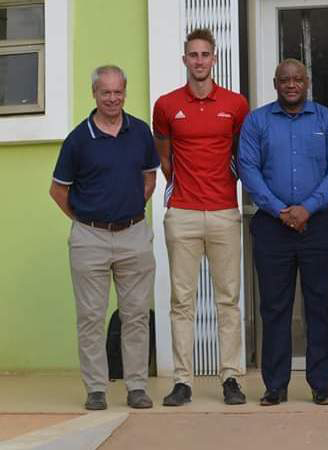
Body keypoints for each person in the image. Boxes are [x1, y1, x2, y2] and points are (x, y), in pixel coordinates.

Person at [238, 58, 328, 406]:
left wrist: (308, 207)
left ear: (307, 82)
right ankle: (275, 386)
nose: (291, 84)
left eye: (297, 79)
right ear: (275, 83)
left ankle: (321, 384)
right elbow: (248, 168)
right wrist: (279, 209)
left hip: (317, 224)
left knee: (320, 305)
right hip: (272, 226)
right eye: (284, 79)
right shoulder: (257, 121)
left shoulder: (327, 120)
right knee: (274, 308)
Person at [50, 65, 158, 410]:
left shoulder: (140, 132)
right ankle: (96, 388)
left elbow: (149, 179)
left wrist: (126, 212)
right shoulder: (78, 139)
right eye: (105, 92)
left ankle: (137, 387)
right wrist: (87, 220)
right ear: (94, 94)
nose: (112, 98)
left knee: (136, 315)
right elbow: (58, 191)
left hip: (134, 236)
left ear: (125, 92)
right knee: (91, 317)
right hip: (89, 239)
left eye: (118, 91)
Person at [153, 28, 249, 406]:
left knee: (228, 300)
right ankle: (182, 381)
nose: (199, 61)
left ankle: (230, 378)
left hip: (225, 211)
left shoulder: (236, 104)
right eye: (192, 55)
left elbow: (242, 156)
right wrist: (183, 190)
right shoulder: (165, 105)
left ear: (214, 58)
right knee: (182, 301)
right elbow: (165, 157)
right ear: (184, 60)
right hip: (183, 214)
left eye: (205, 54)